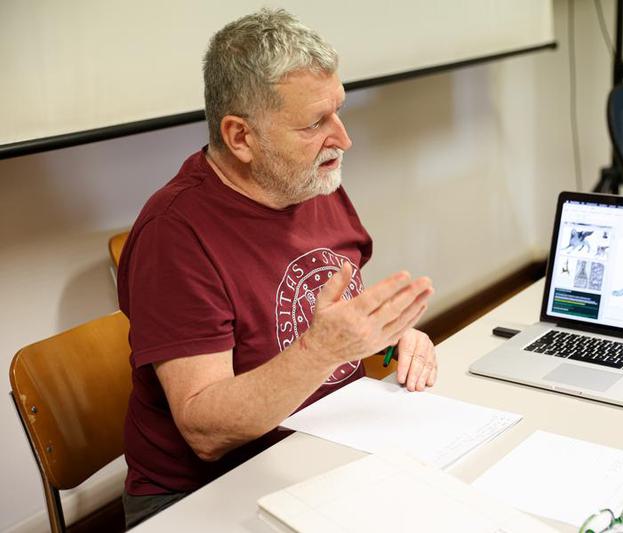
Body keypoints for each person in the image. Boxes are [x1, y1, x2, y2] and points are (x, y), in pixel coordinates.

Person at [116, 8, 437, 528]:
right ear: (241, 137)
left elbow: (324, 312)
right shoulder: (174, 236)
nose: (343, 138)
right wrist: (324, 349)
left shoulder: (309, 180)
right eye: (314, 123)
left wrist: (389, 337)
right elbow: (203, 430)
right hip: (204, 494)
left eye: (337, 111)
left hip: (324, 444)